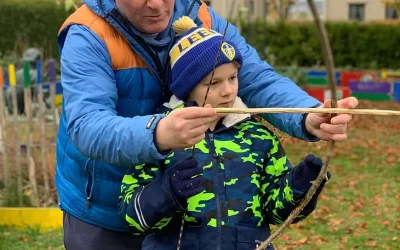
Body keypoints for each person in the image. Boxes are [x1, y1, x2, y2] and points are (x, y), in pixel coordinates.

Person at [56, 0, 358, 249]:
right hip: (102, 209)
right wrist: (161, 135)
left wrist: (307, 115)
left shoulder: (200, 16)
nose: (158, 4)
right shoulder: (88, 32)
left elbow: (257, 79)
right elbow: (87, 123)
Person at [118, 16, 331, 250]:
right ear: (187, 88)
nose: (227, 91)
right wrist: (166, 193)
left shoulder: (259, 137)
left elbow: (276, 213)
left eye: (232, 77)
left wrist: (301, 186)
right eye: (213, 83)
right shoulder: (162, 136)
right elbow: (132, 217)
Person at [5, 47, 40, 115]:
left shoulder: (17, 73)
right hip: (22, 105)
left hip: (11, 104)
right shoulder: (35, 74)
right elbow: (38, 93)